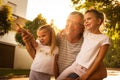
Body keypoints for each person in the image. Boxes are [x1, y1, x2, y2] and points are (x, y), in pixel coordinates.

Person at [56, 9, 111, 80]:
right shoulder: (59, 37)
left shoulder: (96, 40)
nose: (70, 25)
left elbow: (102, 71)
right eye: (68, 21)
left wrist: (84, 77)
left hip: (81, 72)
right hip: (74, 66)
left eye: (75, 23)